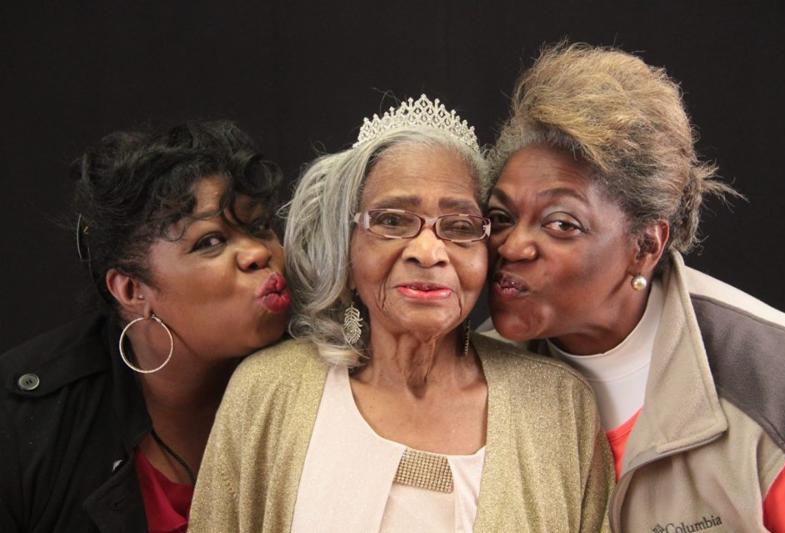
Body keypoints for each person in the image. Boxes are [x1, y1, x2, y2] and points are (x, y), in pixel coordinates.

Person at [189, 95, 613, 532]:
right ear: (346, 248)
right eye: (392, 222)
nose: (428, 252)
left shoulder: (559, 405)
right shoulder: (268, 390)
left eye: (460, 227)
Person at [484, 42, 785, 532]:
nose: (513, 245)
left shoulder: (781, 387)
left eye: (562, 224)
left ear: (646, 246)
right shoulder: (471, 374)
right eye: (501, 217)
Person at [0, 121, 290, 533]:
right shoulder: (22, 421)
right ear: (132, 290)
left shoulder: (325, 379)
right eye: (210, 242)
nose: (258, 252)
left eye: (259, 226)